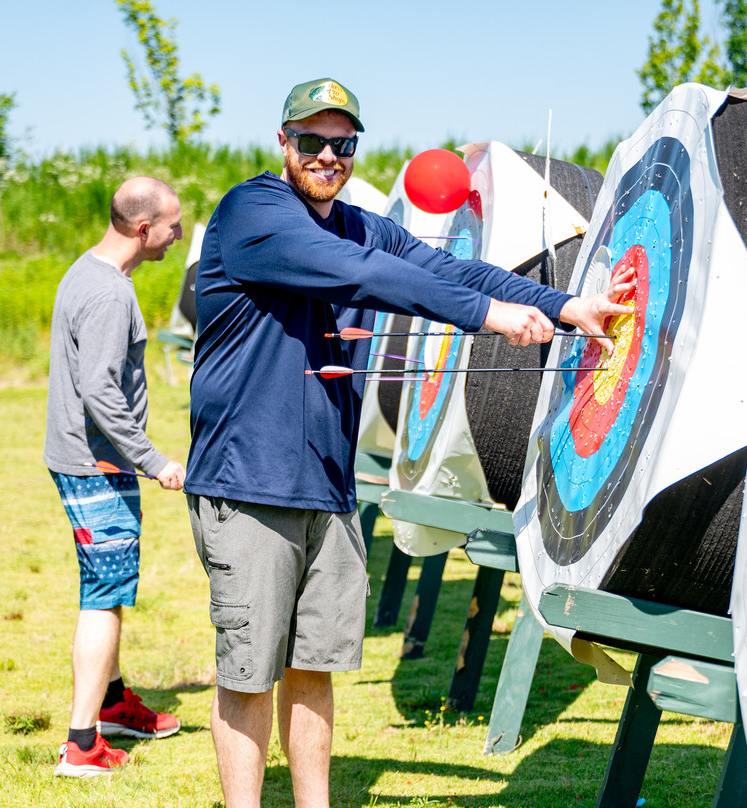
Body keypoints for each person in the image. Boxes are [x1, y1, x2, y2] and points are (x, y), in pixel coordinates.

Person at [184, 77, 632, 808]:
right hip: (249, 484)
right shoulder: (253, 212)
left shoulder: (358, 222)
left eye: (342, 143)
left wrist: (563, 305)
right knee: (247, 671)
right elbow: (366, 275)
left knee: (312, 665)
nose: (327, 156)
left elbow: (447, 267)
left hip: (326, 484)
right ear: (283, 142)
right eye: (311, 140)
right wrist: (487, 316)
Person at [44, 176, 187, 778]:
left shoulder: (91, 272)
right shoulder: (109, 295)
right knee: (103, 597)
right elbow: (99, 388)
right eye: (174, 226)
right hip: (98, 465)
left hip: (88, 459)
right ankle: (81, 745)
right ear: (143, 228)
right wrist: (153, 460)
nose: (179, 236)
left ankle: (112, 703)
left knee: (111, 586)